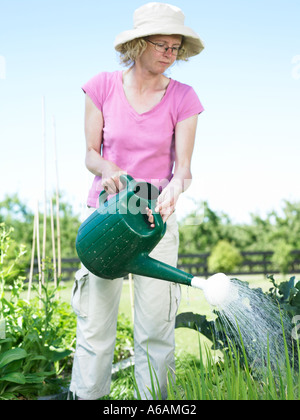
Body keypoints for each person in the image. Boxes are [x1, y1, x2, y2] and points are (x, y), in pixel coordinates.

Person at [69, 2, 205, 400]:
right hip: (105, 220)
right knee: (94, 325)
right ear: (138, 45)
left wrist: (172, 194)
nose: (170, 53)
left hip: (154, 223)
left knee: (156, 329)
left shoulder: (184, 98)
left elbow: (183, 171)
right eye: (161, 44)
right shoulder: (102, 87)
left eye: (175, 46)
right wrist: (107, 169)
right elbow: (90, 154)